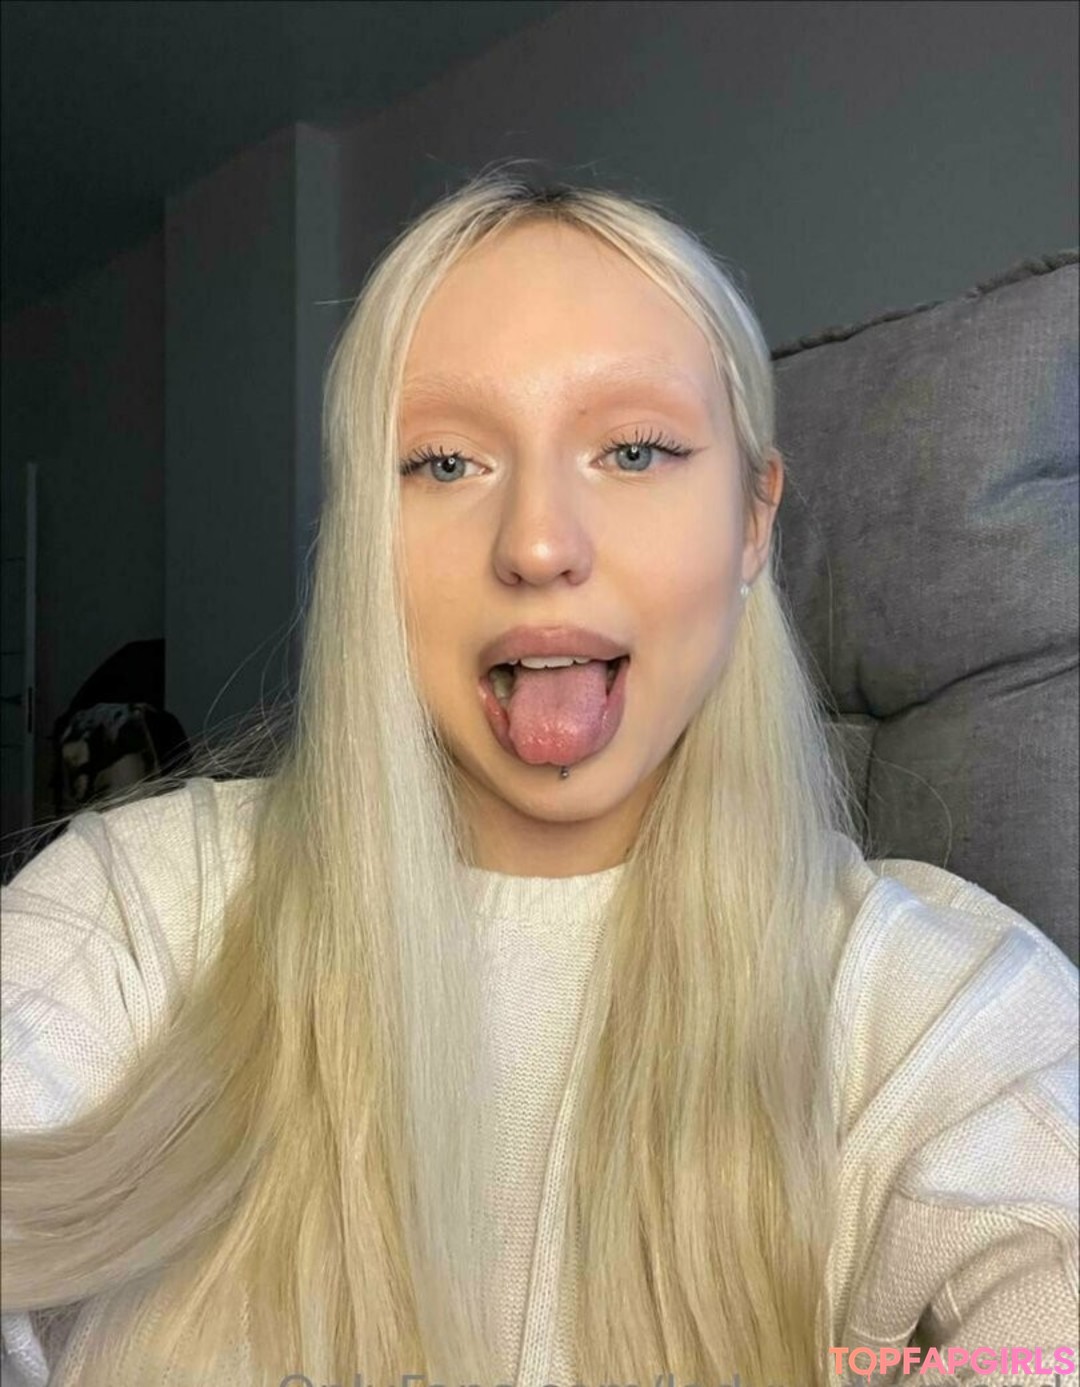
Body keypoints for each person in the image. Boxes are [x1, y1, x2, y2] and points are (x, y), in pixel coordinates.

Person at [1, 162, 1077, 1387]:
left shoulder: (943, 1010)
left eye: (634, 449)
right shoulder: (139, 911)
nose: (539, 544)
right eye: (444, 464)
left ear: (752, 522)